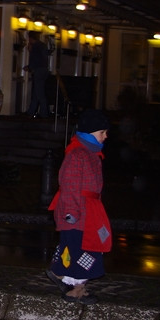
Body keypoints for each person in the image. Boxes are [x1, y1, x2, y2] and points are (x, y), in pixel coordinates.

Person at [45, 109, 112, 305]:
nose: (106, 136)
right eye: (102, 132)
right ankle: (74, 287)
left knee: (86, 247)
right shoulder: (77, 155)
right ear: (90, 132)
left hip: (89, 211)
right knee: (80, 248)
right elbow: (70, 186)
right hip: (78, 213)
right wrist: (70, 213)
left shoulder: (90, 154)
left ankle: (66, 278)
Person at [24, 30, 50, 118]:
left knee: (39, 93)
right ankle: (31, 110)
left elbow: (35, 60)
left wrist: (30, 67)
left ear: (30, 38)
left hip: (38, 71)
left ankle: (44, 113)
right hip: (44, 71)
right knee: (37, 91)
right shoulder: (43, 46)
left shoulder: (35, 47)